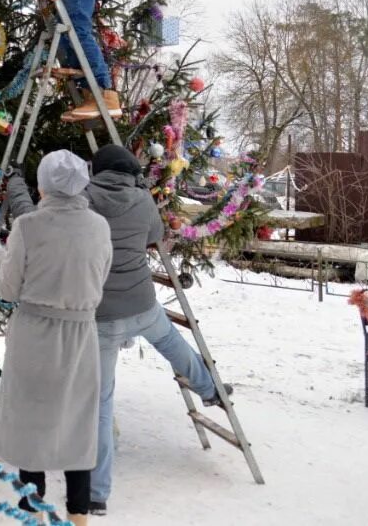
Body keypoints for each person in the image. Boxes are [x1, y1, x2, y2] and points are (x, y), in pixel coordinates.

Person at [81, 144, 229, 517]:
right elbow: (155, 233)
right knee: (171, 342)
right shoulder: (143, 199)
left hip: (103, 313)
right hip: (142, 301)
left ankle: (97, 494)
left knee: (101, 403)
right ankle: (211, 389)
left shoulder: (83, 199)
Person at [0, 151, 112, 525]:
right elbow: (98, 277)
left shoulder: (28, 225)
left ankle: (33, 515)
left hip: (35, 337)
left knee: (31, 428)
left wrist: (0, 258)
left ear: (43, 184)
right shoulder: (99, 226)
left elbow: (9, 289)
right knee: (78, 426)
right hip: (81, 336)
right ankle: (78, 517)